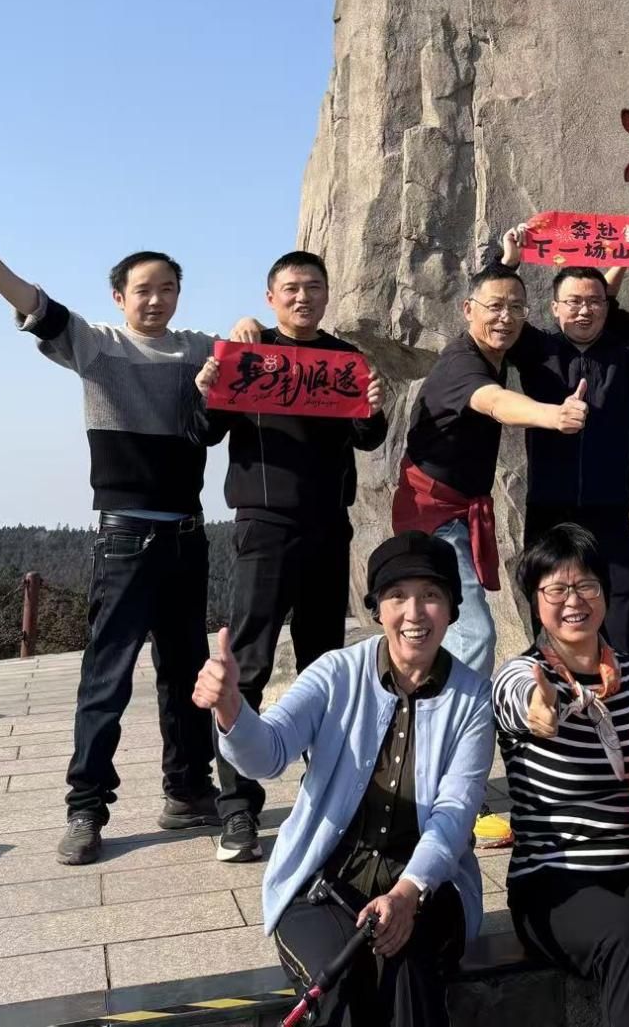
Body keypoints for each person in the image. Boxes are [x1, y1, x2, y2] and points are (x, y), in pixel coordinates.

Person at [0, 204, 258, 866]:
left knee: (184, 674)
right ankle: (86, 809)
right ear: (119, 296)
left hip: (187, 537)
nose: (156, 299)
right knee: (106, 679)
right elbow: (39, 308)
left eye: (168, 288)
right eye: (144, 289)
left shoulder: (199, 349)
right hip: (124, 537)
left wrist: (249, 326)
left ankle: (187, 790)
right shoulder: (96, 344)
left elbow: (254, 352)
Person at [193, 531, 493, 1027]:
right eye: (397, 596)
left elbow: (455, 812)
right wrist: (231, 708)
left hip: (427, 888)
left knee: (409, 977)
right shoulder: (336, 673)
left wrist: (407, 893)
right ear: (377, 609)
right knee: (340, 986)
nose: (414, 613)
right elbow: (269, 752)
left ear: (452, 609)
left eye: (431, 595)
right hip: (324, 883)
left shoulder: (473, 698)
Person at [192, 250, 390, 864]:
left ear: (328, 294)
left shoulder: (344, 359)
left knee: (324, 664)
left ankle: (328, 791)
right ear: (271, 296)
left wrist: (374, 405)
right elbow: (205, 432)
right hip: (265, 524)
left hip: (329, 525)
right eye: (292, 288)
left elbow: (368, 437)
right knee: (247, 662)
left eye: (314, 287)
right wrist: (208, 389)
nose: (303, 297)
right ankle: (237, 809)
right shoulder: (249, 354)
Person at [492, 522, 629, 1027]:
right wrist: (538, 711)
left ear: (605, 593)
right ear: (535, 601)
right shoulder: (525, 675)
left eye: (586, 585)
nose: (573, 601)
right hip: (553, 875)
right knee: (622, 933)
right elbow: (516, 699)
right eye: (556, 589)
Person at [497, 224, 629, 657]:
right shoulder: (538, 351)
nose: (584, 310)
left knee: (619, 600)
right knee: (549, 598)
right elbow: (497, 317)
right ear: (554, 307)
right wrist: (507, 263)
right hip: (549, 505)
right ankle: (550, 680)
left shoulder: (627, 353)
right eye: (573, 302)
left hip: (608, 507)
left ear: (608, 305)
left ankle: (625, 686)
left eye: (594, 301)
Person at [391, 260, 589, 676]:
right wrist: (553, 415)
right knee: (474, 632)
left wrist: (507, 261)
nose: (506, 318)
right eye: (495, 307)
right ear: (468, 310)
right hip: (434, 514)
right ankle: (459, 712)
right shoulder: (461, 364)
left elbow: (498, 292)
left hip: (458, 510)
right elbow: (495, 401)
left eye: (516, 308)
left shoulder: (494, 349)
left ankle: (432, 699)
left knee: (447, 624)